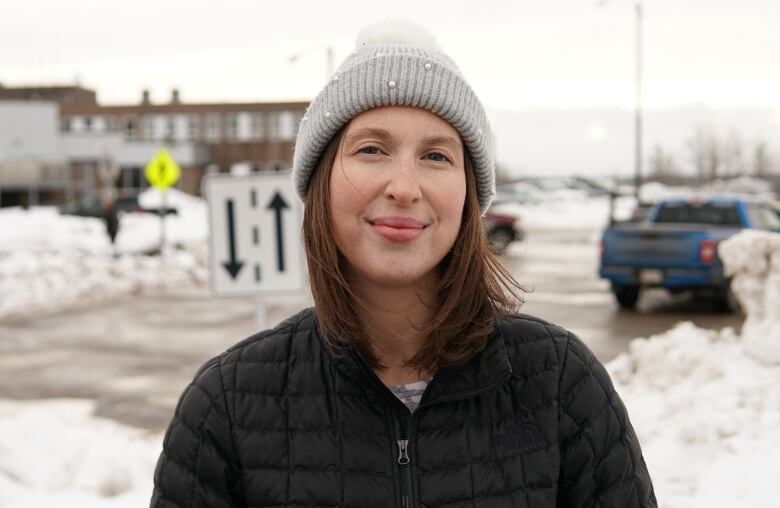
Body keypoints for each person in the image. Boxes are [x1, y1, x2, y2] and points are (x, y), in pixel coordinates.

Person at [151, 19, 657, 508]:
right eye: (371, 149)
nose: (404, 187)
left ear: (467, 194)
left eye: (437, 157)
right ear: (321, 183)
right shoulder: (227, 405)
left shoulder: (559, 382)